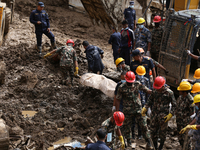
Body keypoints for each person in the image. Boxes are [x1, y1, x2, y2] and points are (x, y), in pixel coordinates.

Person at [115, 71, 153, 148]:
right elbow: (118, 99)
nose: (130, 83)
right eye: (129, 82)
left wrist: (155, 91)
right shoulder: (121, 87)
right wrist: (117, 111)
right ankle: (129, 142)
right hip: (127, 110)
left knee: (143, 125)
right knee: (127, 127)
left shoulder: (137, 84)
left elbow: (147, 90)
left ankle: (148, 142)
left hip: (138, 109)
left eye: (131, 82)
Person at [141, 76, 176, 150]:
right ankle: (155, 146)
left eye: (159, 88)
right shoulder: (155, 90)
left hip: (164, 116)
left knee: (162, 133)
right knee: (153, 132)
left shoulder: (169, 93)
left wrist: (171, 114)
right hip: (154, 114)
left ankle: (160, 147)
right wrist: (145, 107)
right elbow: (150, 100)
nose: (157, 90)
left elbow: (174, 106)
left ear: (163, 86)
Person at [132, 65, 150, 140]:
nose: (140, 76)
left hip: (143, 103)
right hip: (134, 103)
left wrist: (148, 106)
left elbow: (148, 92)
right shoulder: (133, 80)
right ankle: (132, 134)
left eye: (141, 74)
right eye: (139, 75)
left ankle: (140, 134)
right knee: (132, 119)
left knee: (141, 119)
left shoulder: (146, 80)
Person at [176, 81, 194, 148]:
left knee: (186, 140)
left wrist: (189, 125)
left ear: (184, 91)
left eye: (180, 90)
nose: (179, 91)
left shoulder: (190, 100)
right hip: (179, 121)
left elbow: (192, 113)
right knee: (180, 137)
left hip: (185, 123)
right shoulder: (180, 97)